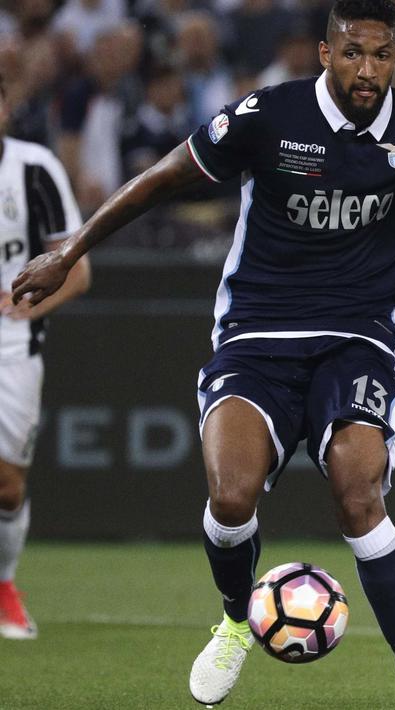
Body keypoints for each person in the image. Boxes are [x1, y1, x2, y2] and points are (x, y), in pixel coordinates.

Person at [10, 1, 395, 706]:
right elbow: (162, 179)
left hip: (357, 342)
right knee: (231, 495)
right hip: (255, 338)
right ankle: (232, 621)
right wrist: (73, 248)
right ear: (324, 52)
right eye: (352, 53)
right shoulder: (268, 116)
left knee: (358, 494)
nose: (366, 69)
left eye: (380, 56)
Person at [0, 74, 90, 640]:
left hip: (12, 344)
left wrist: (25, 311)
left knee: (7, 485)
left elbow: (77, 270)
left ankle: (4, 585)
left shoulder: (33, 169)